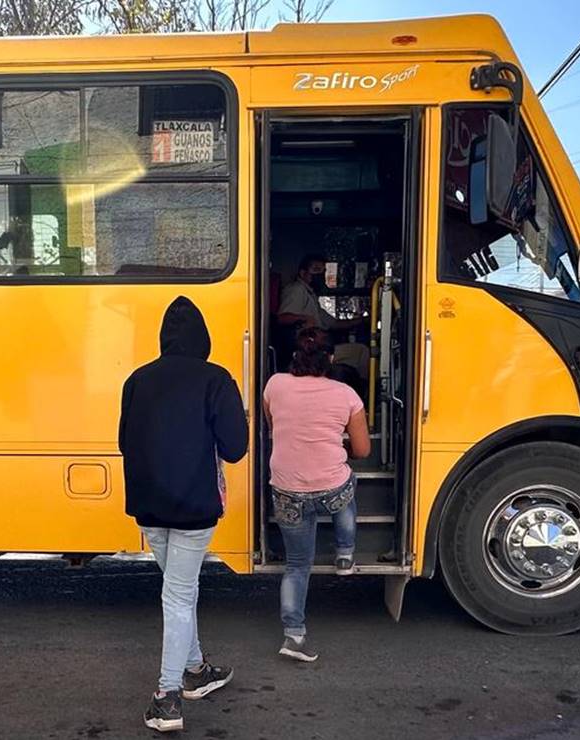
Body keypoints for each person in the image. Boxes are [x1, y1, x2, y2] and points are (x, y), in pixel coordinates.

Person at [119, 296, 249, 733]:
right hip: (195, 506)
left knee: (179, 591)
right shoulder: (216, 379)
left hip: (149, 505)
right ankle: (167, 697)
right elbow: (235, 447)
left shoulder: (137, 380)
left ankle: (195, 670)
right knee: (178, 595)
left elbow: (124, 442)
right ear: (204, 340)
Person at [263, 327, 371, 663]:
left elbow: (273, 425)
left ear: (294, 355)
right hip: (330, 489)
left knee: (297, 566)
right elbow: (364, 450)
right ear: (331, 359)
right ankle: (345, 553)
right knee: (347, 483)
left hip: (286, 489)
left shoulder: (275, 385)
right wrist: (342, 449)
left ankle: (294, 636)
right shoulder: (347, 395)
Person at [276, 254, 370, 379]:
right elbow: (282, 318)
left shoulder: (311, 294)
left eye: (322, 271)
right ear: (303, 273)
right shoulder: (297, 290)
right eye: (315, 270)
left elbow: (334, 323)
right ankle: (366, 393)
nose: (320, 275)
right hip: (310, 350)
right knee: (361, 352)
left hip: (321, 346)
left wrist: (363, 320)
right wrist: (303, 318)